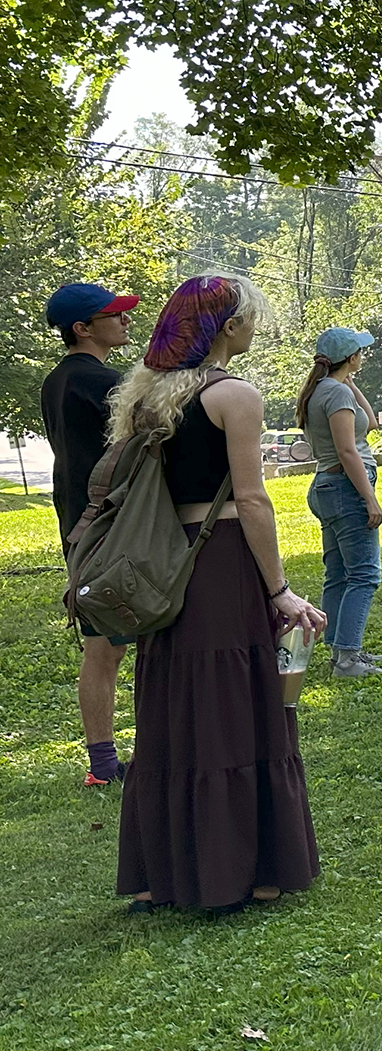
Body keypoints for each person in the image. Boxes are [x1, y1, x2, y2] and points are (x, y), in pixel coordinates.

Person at [110, 275, 326, 913]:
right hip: (222, 561)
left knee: (173, 709)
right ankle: (250, 869)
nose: (255, 329)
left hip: (164, 562)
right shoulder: (234, 394)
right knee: (237, 705)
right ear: (229, 327)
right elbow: (252, 498)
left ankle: (163, 870)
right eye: (250, 318)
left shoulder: (147, 397)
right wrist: (280, 589)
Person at [40, 282, 140, 786]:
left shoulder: (57, 380)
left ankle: (103, 763)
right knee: (119, 642)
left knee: (106, 644)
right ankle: (109, 763)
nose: (125, 321)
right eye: (113, 315)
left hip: (77, 520)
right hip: (110, 525)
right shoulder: (101, 381)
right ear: (82, 328)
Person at [300, 327, 382, 678]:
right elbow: (347, 450)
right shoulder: (335, 394)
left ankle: (339, 650)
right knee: (364, 574)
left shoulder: (325, 390)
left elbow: (367, 422)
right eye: (360, 352)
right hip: (345, 487)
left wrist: (349, 381)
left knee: (338, 573)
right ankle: (348, 659)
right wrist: (369, 499)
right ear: (351, 357)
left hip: (327, 487)